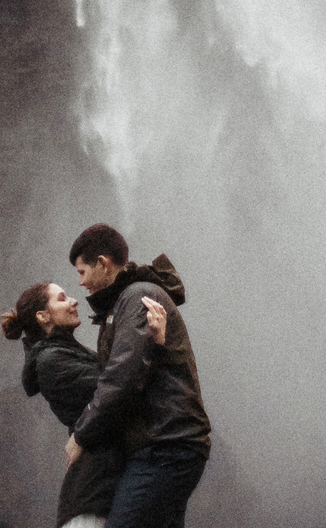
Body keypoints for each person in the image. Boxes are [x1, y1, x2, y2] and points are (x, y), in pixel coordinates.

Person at [64, 223, 212, 528]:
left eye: (82, 272)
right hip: (167, 443)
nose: (80, 284)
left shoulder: (137, 297)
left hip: (166, 445)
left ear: (103, 263)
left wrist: (82, 434)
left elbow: (122, 375)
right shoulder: (125, 301)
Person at [0, 278, 168, 527]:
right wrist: (158, 344)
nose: (74, 301)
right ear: (43, 317)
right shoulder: (51, 362)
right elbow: (118, 394)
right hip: (93, 498)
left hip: (105, 488)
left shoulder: (67, 353)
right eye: (62, 298)